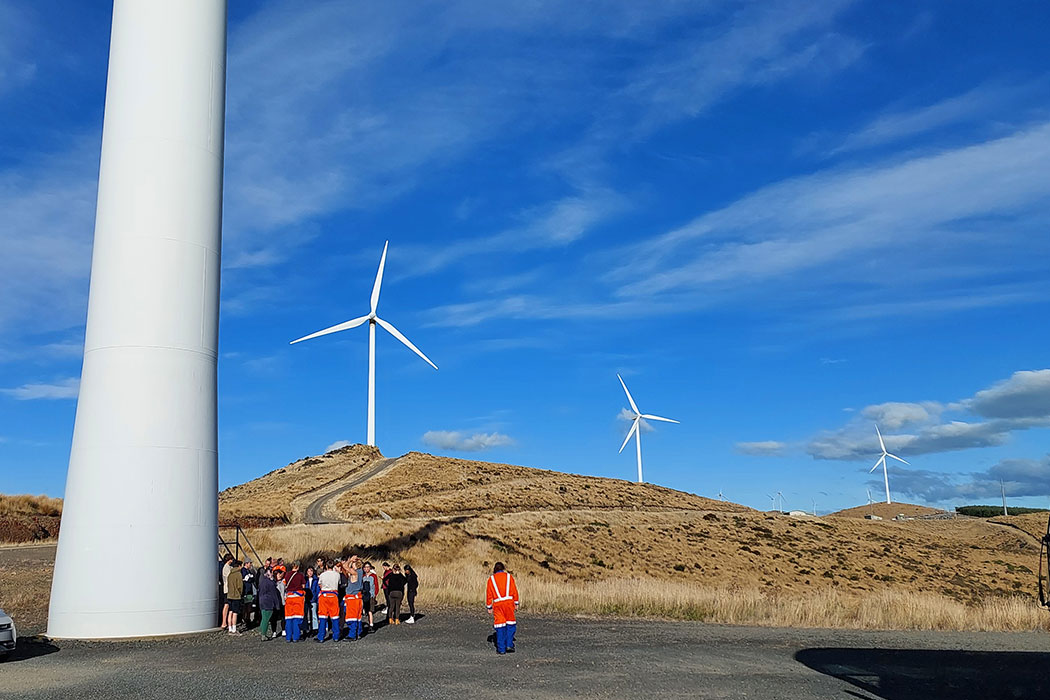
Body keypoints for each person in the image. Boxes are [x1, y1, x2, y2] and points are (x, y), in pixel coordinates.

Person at [485, 562, 519, 654]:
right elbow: (514, 591)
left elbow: (489, 594)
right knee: (510, 624)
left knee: (500, 625)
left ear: (494, 569)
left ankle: (501, 649)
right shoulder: (509, 577)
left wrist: (489, 606)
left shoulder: (491, 579)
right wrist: (516, 603)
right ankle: (509, 644)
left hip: (497, 604)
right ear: (503, 568)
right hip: (509, 603)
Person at [315, 560, 341, 643]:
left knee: (322, 617)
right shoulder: (337, 575)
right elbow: (339, 583)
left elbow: (320, 584)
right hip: (334, 595)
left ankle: (321, 637)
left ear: (326, 566)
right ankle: (336, 636)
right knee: (335, 617)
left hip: (324, 596)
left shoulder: (323, 574)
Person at [284, 561, 306, 642]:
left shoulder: (287, 575)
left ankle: (288, 637)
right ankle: (296, 637)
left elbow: (285, 584)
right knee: (297, 618)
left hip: (289, 597)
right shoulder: (300, 575)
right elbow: (303, 586)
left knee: (289, 618)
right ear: (298, 567)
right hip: (298, 597)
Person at [258, 568, 282, 640]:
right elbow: (274, 595)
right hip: (269, 602)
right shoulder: (271, 583)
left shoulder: (262, 582)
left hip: (262, 601)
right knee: (266, 618)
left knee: (263, 618)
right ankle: (263, 634)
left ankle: (262, 632)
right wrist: (277, 605)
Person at [343, 566, 364, 640]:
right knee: (357, 617)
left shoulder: (356, 573)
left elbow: (345, 566)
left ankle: (352, 635)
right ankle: (358, 633)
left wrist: (350, 560)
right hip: (357, 598)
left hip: (352, 599)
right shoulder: (359, 573)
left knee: (351, 617)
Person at [226, 559, 244, 634]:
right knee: (235, 612)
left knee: (230, 611)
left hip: (229, 595)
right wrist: (240, 593)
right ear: (239, 566)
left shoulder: (230, 574)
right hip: (236, 595)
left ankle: (230, 628)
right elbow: (240, 586)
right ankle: (234, 628)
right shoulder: (238, 574)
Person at [362, 562, 380, 630]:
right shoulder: (363, 576)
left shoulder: (373, 576)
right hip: (364, 596)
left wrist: (374, 594)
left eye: (368, 567)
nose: (366, 569)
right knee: (365, 611)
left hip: (371, 595)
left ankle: (371, 624)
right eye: (365, 567)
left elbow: (376, 586)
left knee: (370, 611)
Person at [241, 560, 257, 627]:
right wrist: (250, 578)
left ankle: (248, 619)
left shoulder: (249, 571)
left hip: (249, 590)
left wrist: (250, 578)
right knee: (246, 606)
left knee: (249, 606)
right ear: (246, 563)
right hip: (246, 591)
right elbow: (247, 579)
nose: (251, 565)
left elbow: (252, 578)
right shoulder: (243, 570)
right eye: (250, 563)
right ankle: (245, 619)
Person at [220, 553, 233, 629]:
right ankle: (224, 622)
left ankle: (226, 622)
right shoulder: (226, 568)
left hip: (228, 588)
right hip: (227, 589)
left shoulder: (228, 567)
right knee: (226, 605)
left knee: (228, 605)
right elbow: (229, 577)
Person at [304, 566, 319, 633]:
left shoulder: (316, 580)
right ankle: (307, 627)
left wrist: (317, 598)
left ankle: (315, 628)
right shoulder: (305, 580)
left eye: (311, 571)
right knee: (306, 614)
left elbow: (317, 590)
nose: (310, 572)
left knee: (314, 614)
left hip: (313, 598)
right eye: (308, 571)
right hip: (306, 599)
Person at [274, 569, 287, 636]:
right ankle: (274, 631)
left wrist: (285, 596)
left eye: (280, 574)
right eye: (278, 574)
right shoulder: (273, 583)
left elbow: (285, 591)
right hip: (275, 602)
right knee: (274, 617)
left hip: (282, 602)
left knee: (283, 617)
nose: (279, 575)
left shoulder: (283, 583)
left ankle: (283, 630)